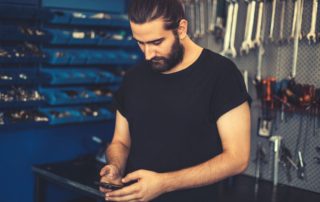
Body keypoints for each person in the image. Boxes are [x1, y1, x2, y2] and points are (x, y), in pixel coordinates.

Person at [99, 0, 251, 201]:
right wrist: (115, 167)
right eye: (140, 43)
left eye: (156, 42)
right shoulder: (134, 78)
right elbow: (120, 142)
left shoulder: (221, 74)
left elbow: (237, 158)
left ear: (181, 29)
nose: (147, 54)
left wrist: (164, 183)